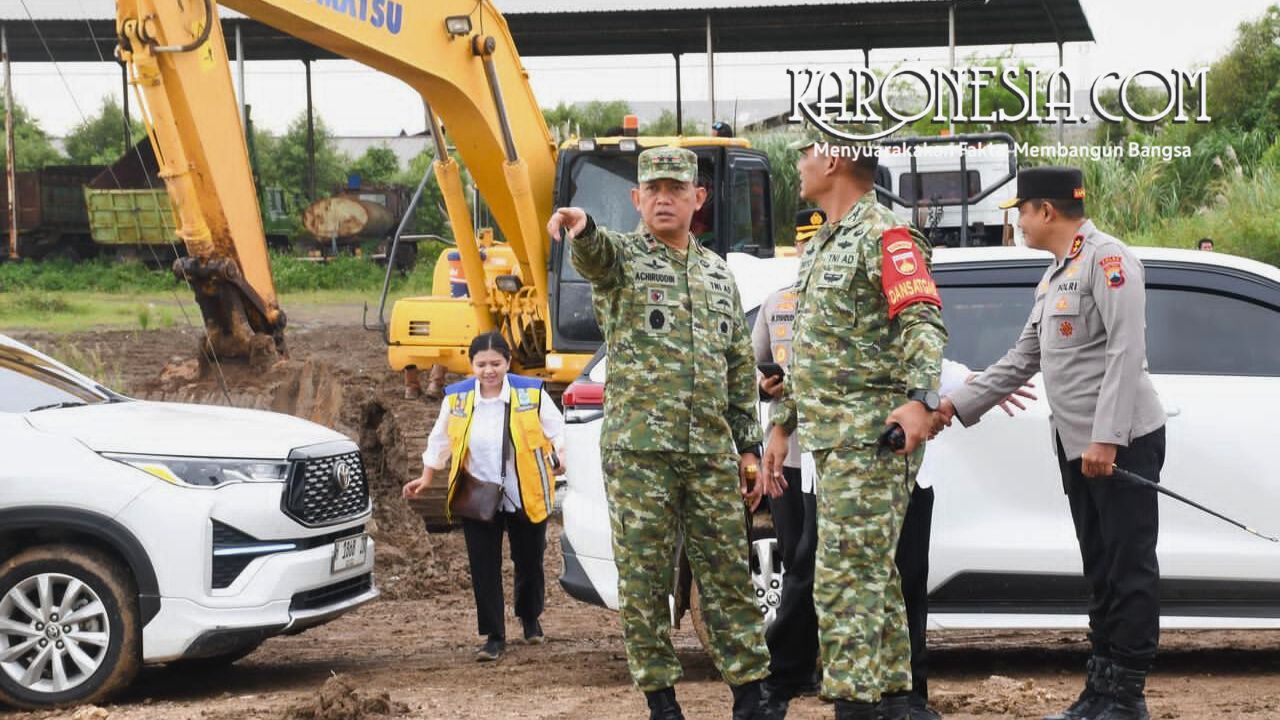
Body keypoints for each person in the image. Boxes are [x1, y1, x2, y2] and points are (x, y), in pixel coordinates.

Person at [548, 146, 776, 720]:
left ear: (697, 199)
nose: (664, 198)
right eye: (653, 190)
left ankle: (750, 695)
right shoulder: (622, 258)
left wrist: (748, 448)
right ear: (637, 200)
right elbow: (596, 256)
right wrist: (583, 227)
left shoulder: (718, 274)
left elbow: (734, 368)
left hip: (708, 454)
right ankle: (661, 701)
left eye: (676, 190)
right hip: (640, 455)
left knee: (727, 574)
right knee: (646, 581)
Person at [936, 167, 1167, 720]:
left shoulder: (1109, 261)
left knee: (1127, 565)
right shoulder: (1056, 275)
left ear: (1046, 210)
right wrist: (953, 405)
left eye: (1021, 210)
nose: (1016, 221)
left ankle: (1127, 696)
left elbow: (1124, 353)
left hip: (1121, 441)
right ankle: (1102, 689)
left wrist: (1107, 439)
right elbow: (1023, 357)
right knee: (1099, 568)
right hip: (1077, 444)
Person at [763, 136, 948, 720]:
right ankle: (895, 701)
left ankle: (855, 706)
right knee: (873, 581)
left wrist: (920, 400)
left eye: (804, 152)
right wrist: (782, 425)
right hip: (832, 441)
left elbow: (922, 320)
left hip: (871, 440)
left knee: (843, 584)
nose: (798, 163)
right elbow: (814, 350)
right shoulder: (821, 241)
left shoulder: (885, 233)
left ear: (835, 159)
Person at [402, 331, 565, 662]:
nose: (489, 370)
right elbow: (440, 440)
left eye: (496, 363)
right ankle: (494, 636)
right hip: (477, 493)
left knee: (530, 560)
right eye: (481, 364)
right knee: (483, 566)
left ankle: (529, 617)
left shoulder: (531, 393)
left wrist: (561, 457)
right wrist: (426, 476)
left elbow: (558, 430)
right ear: (471, 365)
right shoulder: (457, 399)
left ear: (507, 362)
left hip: (525, 491)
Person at [752, 209, 824, 706]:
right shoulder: (776, 303)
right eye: (804, 244)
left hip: (828, 453)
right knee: (798, 558)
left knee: (811, 563)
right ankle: (799, 668)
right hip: (788, 456)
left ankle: (792, 664)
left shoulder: (843, 299)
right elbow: (751, 369)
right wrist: (765, 383)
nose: (810, 251)